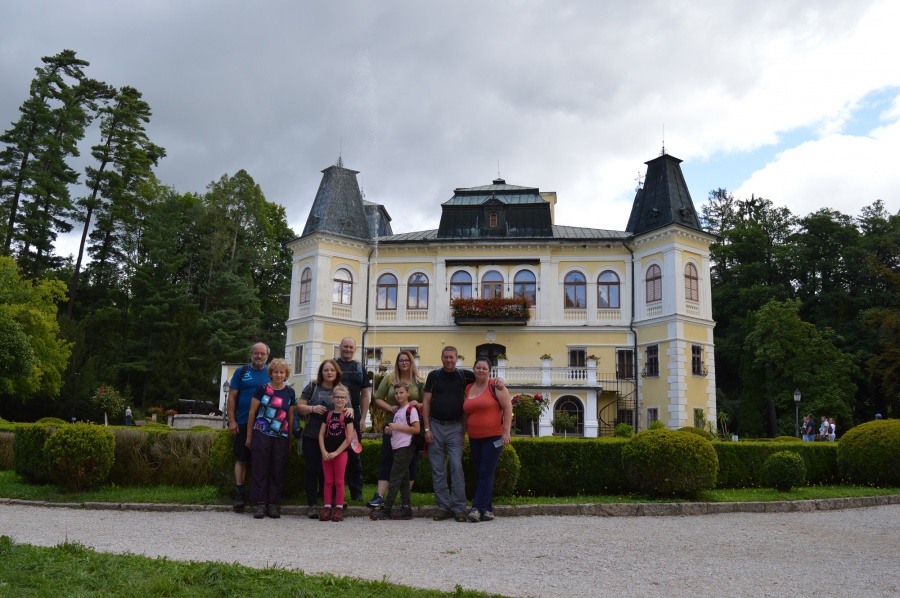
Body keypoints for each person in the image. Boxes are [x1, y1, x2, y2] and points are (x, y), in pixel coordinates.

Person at [422, 346, 506, 522]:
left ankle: (459, 507)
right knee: (437, 469)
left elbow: (484, 377)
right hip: (435, 426)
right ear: (441, 358)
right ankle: (443, 507)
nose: (449, 360)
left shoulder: (465, 376)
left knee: (456, 467)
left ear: (457, 358)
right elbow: (426, 402)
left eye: (451, 357)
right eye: (446, 357)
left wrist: (499, 379)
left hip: (455, 428)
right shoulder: (433, 376)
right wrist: (427, 429)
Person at [297, 359, 352, 519]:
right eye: (326, 370)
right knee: (312, 470)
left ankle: (333, 501)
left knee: (332, 473)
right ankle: (313, 504)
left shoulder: (341, 389)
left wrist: (351, 412)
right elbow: (299, 406)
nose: (329, 373)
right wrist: (312, 408)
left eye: (332, 370)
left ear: (337, 372)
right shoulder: (313, 387)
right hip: (313, 435)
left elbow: (349, 409)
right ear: (321, 372)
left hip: (334, 439)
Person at [368, 349, 423, 508]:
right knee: (387, 459)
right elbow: (377, 398)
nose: (404, 363)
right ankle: (380, 495)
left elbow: (427, 402)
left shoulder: (419, 381)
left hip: (410, 427)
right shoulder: (390, 378)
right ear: (397, 363)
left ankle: (405, 498)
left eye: (407, 360)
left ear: (411, 362)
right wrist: (389, 407)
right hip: (391, 425)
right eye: (401, 360)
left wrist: (419, 404)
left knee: (410, 462)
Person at [244, 358, 296, 519]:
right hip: (262, 433)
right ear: (271, 374)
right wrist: (249, 436)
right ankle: (260, 504)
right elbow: (252, 413)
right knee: (260, 468)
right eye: (276, 372)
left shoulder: (290, 392)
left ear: (286, 375)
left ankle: (272, 504)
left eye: (282, 372)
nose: (279, 375)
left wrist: (290, 438)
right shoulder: (262, 389)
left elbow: (291, 416)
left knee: (277, 469)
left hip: (282, 436)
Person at [462, 356, 513, 522]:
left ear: (490, 371)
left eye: (484, 368)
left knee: (486, 471)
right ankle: (488, 509)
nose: (481, 370)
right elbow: (465, 414)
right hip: (475, 438)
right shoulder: (468, 388)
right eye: (478, 368)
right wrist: (462, 435)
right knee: (480, 473)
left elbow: (507, 408)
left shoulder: (496, 386)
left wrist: (506, 432)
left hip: (493, 438)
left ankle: (477, 508)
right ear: (473, 369)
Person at [227, 342, 271, 511]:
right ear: (251, 354)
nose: (259, 356)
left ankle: (261, 496)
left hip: (266, 423)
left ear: (267, 356)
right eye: (256, 353)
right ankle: (240, 494)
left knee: (264, 460)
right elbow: (232, 398)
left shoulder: (272, 372)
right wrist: (232, 421)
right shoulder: (241, 372)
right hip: (243, 422)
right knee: (241, 458)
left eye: (262, 354)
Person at [370, 381, 419, 521]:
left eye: (401, 392)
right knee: (403, 479)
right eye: (396, 393)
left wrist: (397, 427)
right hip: (396, 447)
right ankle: (406, 508)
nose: (398, 395)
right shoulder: (398, 411)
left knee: (394, 478)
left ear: (408, 393)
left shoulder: (411, 409)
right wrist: (390, 430)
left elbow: (416, 429)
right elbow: (398, 429)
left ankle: (387, 508)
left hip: (405, 447)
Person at [334, 337, 371, 501]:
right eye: (345, 346)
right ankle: (330, 492)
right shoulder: (333, 366)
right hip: (334, 415)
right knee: (332, 452)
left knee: (354, 455)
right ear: (340, 347)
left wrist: (363, 418)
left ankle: (356, 493)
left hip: (353, 416)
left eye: (351, 347)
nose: (348, 350)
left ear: (355, 349)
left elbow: (365, 395)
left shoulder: (359, 368)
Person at [318, 384, 355, 522]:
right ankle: (327, 506)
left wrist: (337, 452)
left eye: (342, 397)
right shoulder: (327, 415)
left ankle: (338, 507)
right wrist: (323, 451)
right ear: (332, 399)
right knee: (328, 481)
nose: (340, 399)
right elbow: (321, 434)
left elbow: (349, 437)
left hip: (341, 454)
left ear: (346, 400)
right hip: (327, 454)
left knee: (339, 481)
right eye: (337, 397)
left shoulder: (348, 416)